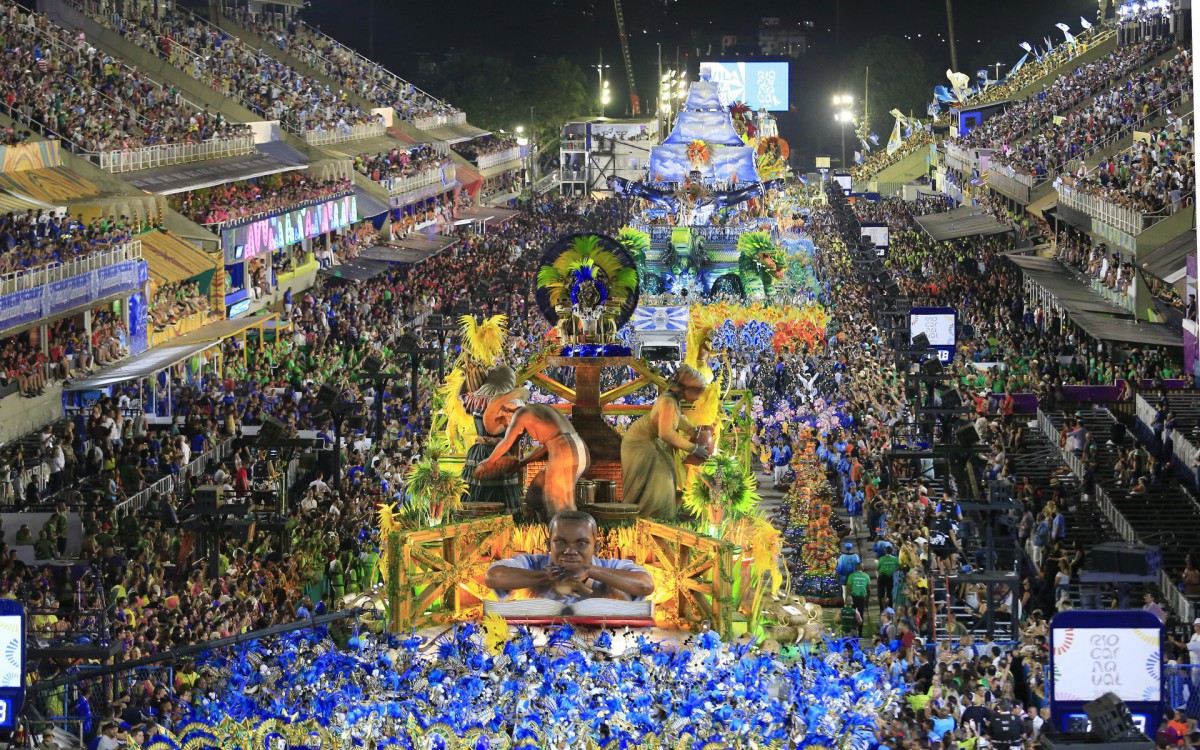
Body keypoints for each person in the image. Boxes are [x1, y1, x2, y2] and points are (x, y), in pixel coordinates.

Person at [484, 510, 654, 603]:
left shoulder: (611, 568)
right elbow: (493, 577)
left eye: (581, 543)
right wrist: (548, 576)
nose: (570, 551)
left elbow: (645, 585)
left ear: (597, 547)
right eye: (560, 542)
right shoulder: (532, 563)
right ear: (547, 544)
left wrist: (589, 570)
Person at [477, 390, 590, 523]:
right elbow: (547, 446)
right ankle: (543, 528)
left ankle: (568, 538)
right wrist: (522, 463)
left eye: (503, 421)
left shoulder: (521, 413)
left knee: (558, 503)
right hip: (576, 448)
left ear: (507, 410)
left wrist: (488, 462)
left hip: (565, 452)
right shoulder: (539, 410)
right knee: (536, 493)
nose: (506, 425)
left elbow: (507, 442)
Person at [621, 365, 712, 520]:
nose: (698, 397)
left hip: (652, 443)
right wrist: (693, 448)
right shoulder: (668, 402)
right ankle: (648, 520)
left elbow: (674, 420)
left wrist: (693, 431)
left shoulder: (673, 399)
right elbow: (666, 433)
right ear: (687, 389)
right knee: (660, 484)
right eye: (698, 393)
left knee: (666, 479)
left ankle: (655, 520)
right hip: (641, 445)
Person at [459, 365, 523, 513]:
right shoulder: (510, 404)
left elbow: (460, 395)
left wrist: (466, 378)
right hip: (501, 451)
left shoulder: (474, 398)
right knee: (503, 492)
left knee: (475, 488)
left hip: (477, 451)